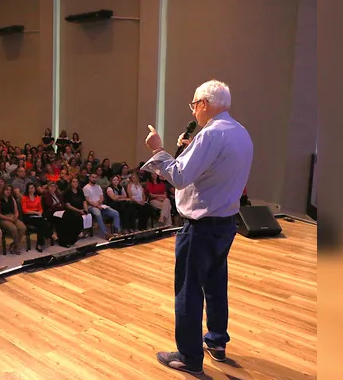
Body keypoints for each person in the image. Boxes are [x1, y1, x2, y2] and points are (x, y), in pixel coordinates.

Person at [142, 80, 252, 374]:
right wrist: (191, 150)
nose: (193, 113)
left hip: (200, 227)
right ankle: (216, 341)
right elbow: (216, 171)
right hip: (226, 224)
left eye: (194, 105)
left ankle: (189, 357)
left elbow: (178, 176)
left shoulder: (210, 135)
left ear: (204, 103)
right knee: (216, 285)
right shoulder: (240, 134)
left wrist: (159, 150)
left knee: (189, 291)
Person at [42, 181, 82, 247]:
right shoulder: (46, 195)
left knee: (72, 215)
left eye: (54, 186)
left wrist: (58, 205)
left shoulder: (58, 194)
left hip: (60, 211)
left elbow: (62, 204)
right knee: (65, 217)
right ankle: (63, 241)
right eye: (51, 186)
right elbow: (49, 205)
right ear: (48, 187)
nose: (53, 188)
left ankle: (73, 237)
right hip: (51, 213)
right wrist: (58, 205)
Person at [83, 173, 121, 239]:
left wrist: (99, 203)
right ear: (90, 178)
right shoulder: (86, 188)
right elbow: (87, 200)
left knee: (115, 213)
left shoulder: (98, 187)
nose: (94, 179)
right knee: (97, 213)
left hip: (100, 205)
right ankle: (105, 233)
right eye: (92, 177)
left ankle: (117, 231)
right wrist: (97, 205)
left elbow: (101, 197)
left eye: (95, 177)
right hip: (91, 206)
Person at [21, 182, 53, 251]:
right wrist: (36, 212)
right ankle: (50, 235)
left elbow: (40, 208)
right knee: (42, 222)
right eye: (30, 188)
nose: (32, 189)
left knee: (41, 224)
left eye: (33, 187)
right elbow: (25, 210)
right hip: (29, 216)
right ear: (27, 189)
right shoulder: (24, 198)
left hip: (37, 215)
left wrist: (40, 213)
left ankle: (39, 244)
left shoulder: (37, 197)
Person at [0, 185, 25, 254]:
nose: (8, 191)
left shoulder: (12, 198)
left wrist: (15, 217)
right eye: (6, 190)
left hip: (12, 216)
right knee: (14, 229)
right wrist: (8, 218)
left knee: (23, 227)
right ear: (3, 190)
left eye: (10, 190)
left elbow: (16, 211)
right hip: (3, 218)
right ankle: (17, 246)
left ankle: (14, 244)